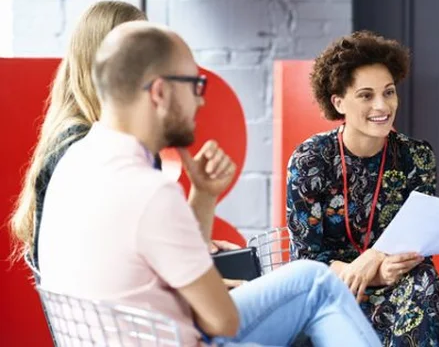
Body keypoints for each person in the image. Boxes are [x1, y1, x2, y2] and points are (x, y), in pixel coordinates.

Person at [38, 22, 380, 347]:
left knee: (311, 278)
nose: (200, 101)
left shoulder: (76, 162)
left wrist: (203, 196)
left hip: (128, 335)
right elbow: (221, 321)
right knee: (318, 285)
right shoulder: (148, 191)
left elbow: (168, 265)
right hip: (180, 337)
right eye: (194, 85)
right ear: (160, 92)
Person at [286, 31, 439, 346]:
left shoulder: (417, 156)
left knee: (423, 277)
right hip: (336, 288)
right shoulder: (310, 160)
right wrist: (366, 270)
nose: (382, 106)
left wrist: (376, 258)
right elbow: (305, 259)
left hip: (399, 285)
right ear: (338, 102)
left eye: (389, 92)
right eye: (366, 95)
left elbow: (417, 240)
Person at [9, 0, 146, 272]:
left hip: (122, 304)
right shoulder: (85, 147)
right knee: (257, 292)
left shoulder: (75, 135)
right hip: (123, 311)